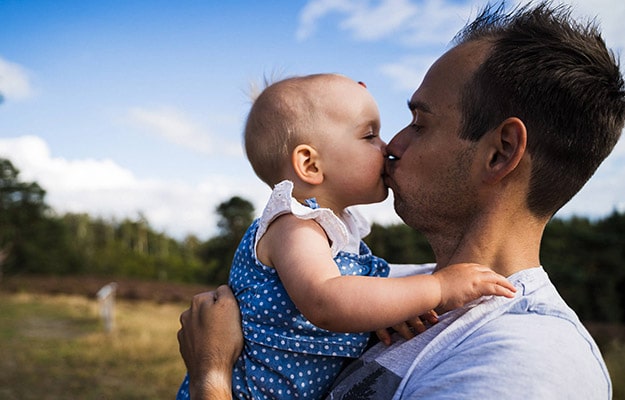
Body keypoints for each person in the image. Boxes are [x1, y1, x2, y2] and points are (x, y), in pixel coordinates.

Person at [178, 2, 625, 398]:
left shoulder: (529, 364)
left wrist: (211, 377)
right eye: (372, 133)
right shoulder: (390, 289)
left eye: (420, 122)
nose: (391, 143)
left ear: (500, 151)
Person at [176, 73, 516, 400]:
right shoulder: (295, 225)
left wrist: (392, 307)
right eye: (370, 136)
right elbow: (326, 300)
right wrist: (439, 287)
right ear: (310, 165)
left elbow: (367, 287)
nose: (387, 147)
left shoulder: (339, 234)